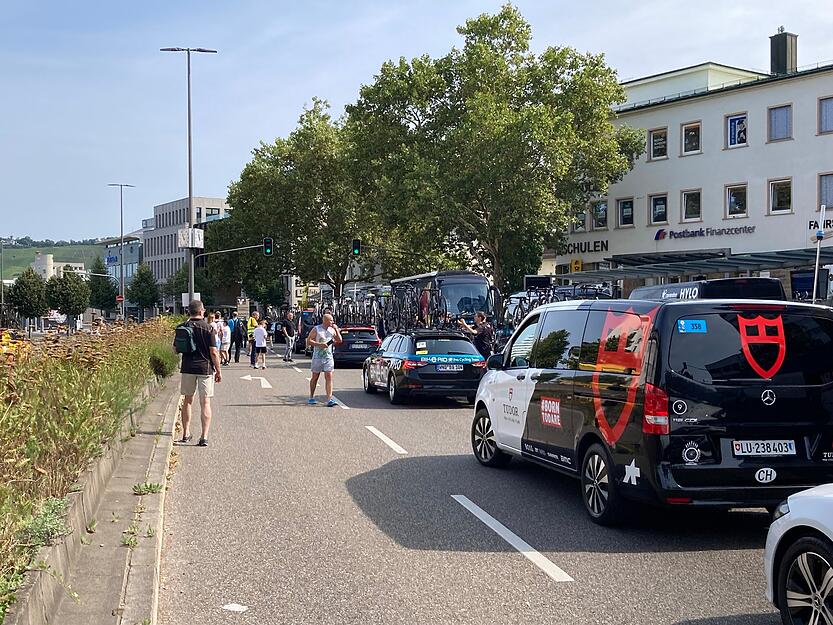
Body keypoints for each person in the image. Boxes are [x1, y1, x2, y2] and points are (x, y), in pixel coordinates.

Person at [175, 300, 221, 447]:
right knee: (205, 402)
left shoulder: (182, 327)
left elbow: (175, 349)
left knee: (187, 401)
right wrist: (218, 370)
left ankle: (186, 433)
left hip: (187, 367)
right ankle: (204, 437)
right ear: (202, 311)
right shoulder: (208, 329)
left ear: (189, 312)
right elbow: (214, 352)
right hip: (205, 368)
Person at [306, 313, 342, 407]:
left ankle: (329, 399)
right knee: (315, 377)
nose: (332, 322)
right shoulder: (316, 329)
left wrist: (337, 330)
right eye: (330, 320)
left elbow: (339, 340)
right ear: (325, 320)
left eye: (332, 320)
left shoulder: (332, 330)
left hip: (328, 357)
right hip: (317, 357)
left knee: (329, 376)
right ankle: (311, 396)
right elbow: (309, 341)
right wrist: (319, 345)